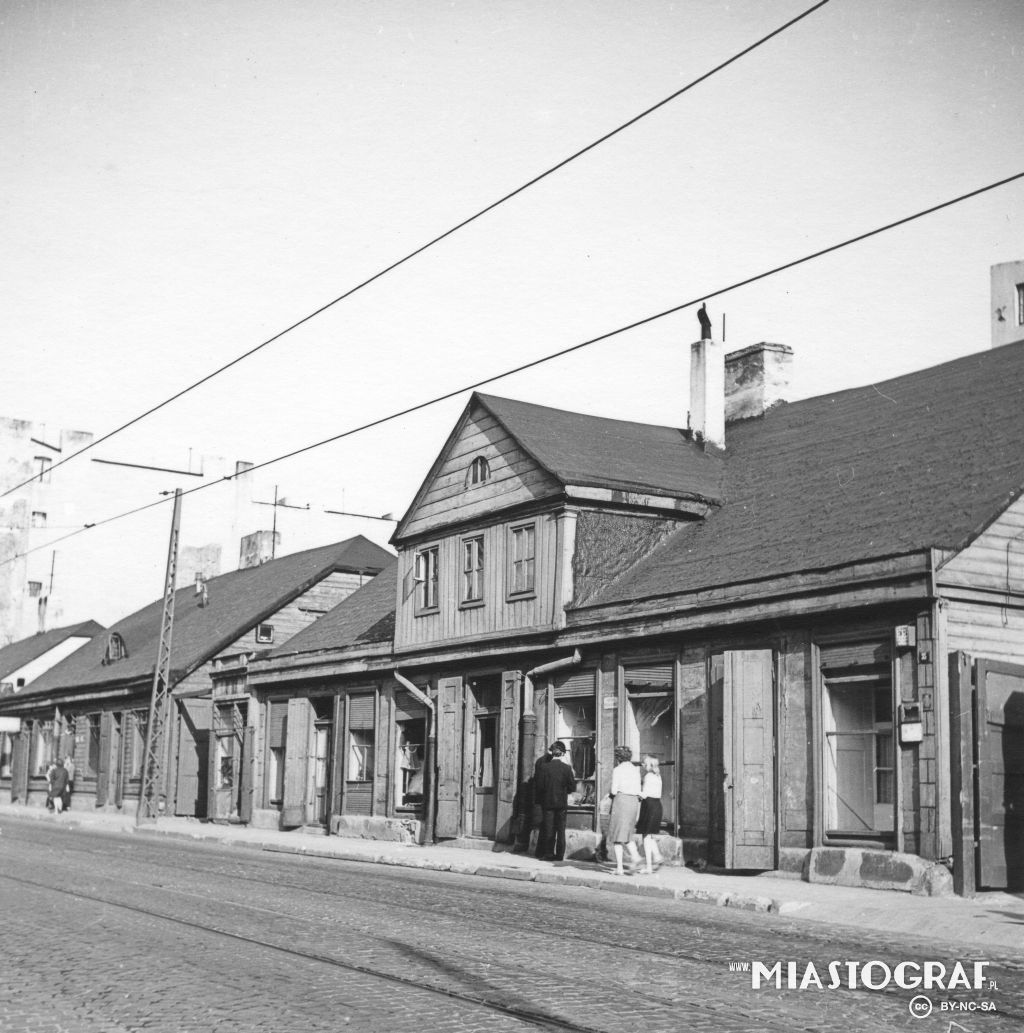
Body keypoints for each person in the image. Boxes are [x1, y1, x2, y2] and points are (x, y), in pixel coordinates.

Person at [534, 741, 577, 862]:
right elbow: (572, 787)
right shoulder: (567, 768)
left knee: (549, 828)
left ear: (552, 753)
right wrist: (564, 791)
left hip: (547, 803)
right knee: (561, 829)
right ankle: (560, 855)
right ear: (562, 753)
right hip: (561, 803)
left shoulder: (544, 767)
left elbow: (540, 786)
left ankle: (549, 854)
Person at [608, 745, 643, 875]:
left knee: (617, 836)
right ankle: (635, 856)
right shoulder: (635, 770)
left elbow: (613, 790)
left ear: (618, 757)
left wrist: (609, 795)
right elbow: (638, 789)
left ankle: (620, 868)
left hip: (621, 801)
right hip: (633, 802)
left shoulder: (617, 770)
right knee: (627, 834)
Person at [638, 755, 665, 874]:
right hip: (657, 805)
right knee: (649, 835)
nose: (643, 765)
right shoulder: (658, 776)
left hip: (649, 806)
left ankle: (649, 866)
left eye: (644, 763)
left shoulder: (648, 776)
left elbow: (644, 794)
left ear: (649, 765)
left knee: (646, 837)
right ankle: (657, 856)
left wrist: (634, 790)